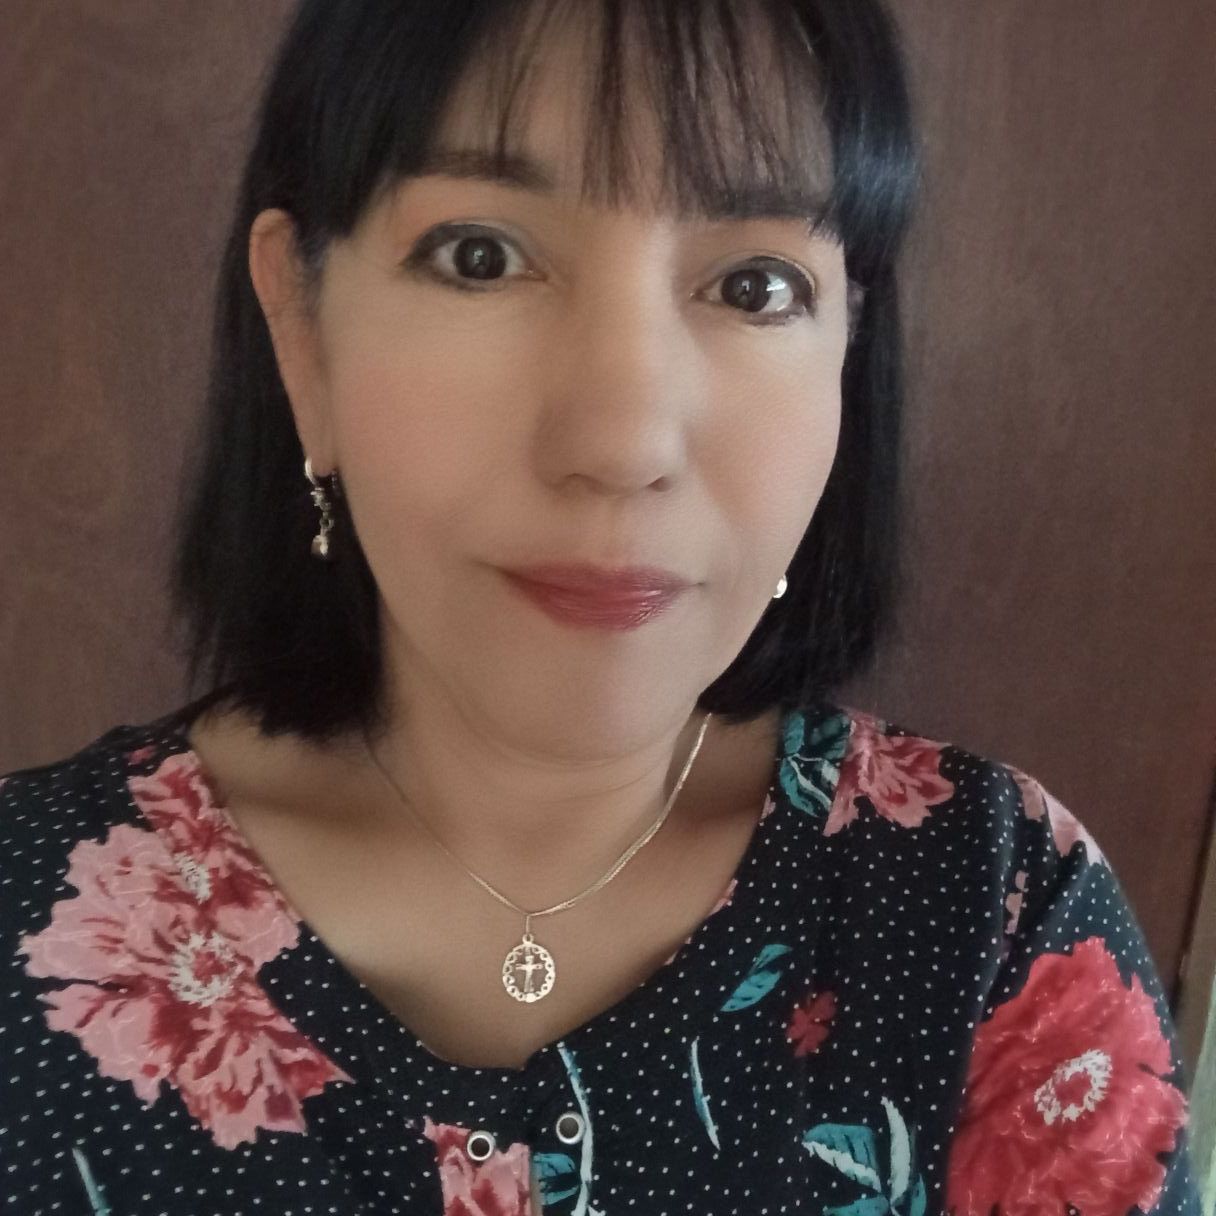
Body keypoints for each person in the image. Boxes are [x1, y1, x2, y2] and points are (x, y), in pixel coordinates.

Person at [0, 0, 1202, 1212]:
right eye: (480, 256)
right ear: (302, 330)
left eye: (755, 283)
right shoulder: (26, 918)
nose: (622, 443)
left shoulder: (991, 915)